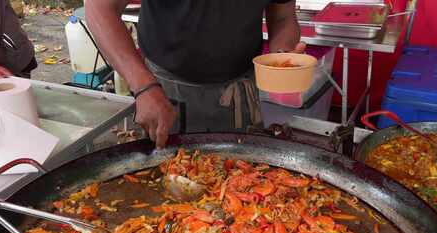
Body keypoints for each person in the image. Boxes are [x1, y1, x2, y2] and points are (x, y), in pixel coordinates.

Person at [86, 0, 304, 148]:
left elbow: (283, 16)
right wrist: (144, 87)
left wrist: (282, 55)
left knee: (246, 186)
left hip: (241, 91)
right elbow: (99, 8)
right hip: (163, 91)